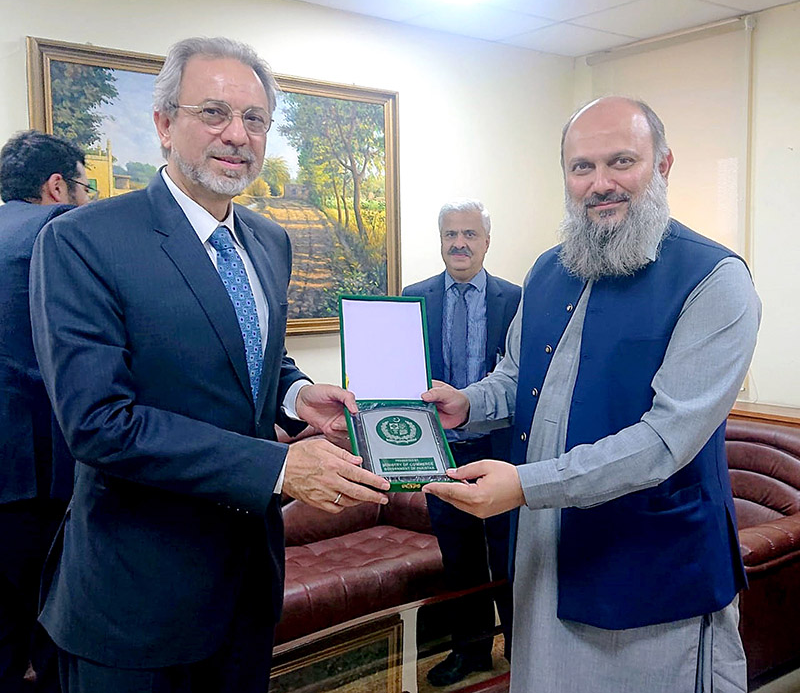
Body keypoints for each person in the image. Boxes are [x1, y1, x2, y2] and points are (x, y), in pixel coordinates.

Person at [29, 37, 389, 693]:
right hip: (136, 604)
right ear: (165, 125)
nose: (237, 135)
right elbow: (99, 423)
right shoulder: (84, 240)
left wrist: (298, 395)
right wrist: (280, 466)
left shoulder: (267, 240)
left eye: (255, 119)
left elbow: (253, 355)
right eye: (214, 113)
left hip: (247, 588)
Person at [423, 97, 761, 693]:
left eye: (621, 161)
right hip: (546, 550)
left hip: (652, 566)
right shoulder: (550, 270)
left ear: (663, 166)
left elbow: (665, 440)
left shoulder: (716, 280)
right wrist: (469, 403)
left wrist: (525, 486)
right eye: (581, 167)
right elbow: (517, 375)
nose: (600, 183)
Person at [402, 199, 519, 686]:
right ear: (441, 241)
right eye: (451, 234)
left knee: (511, 554)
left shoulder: (517, 299)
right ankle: (470, 654)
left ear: (487, 242)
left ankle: (521, 647)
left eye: (470, 234)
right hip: (441, 452)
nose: (460, 244)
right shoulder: (414, 297)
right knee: (460, 560)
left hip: (500, 451)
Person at [0, 130, 92, 693]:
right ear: (57, 186)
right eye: (84, 186)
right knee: (57, 625)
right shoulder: (59, 232)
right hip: (38, 470)